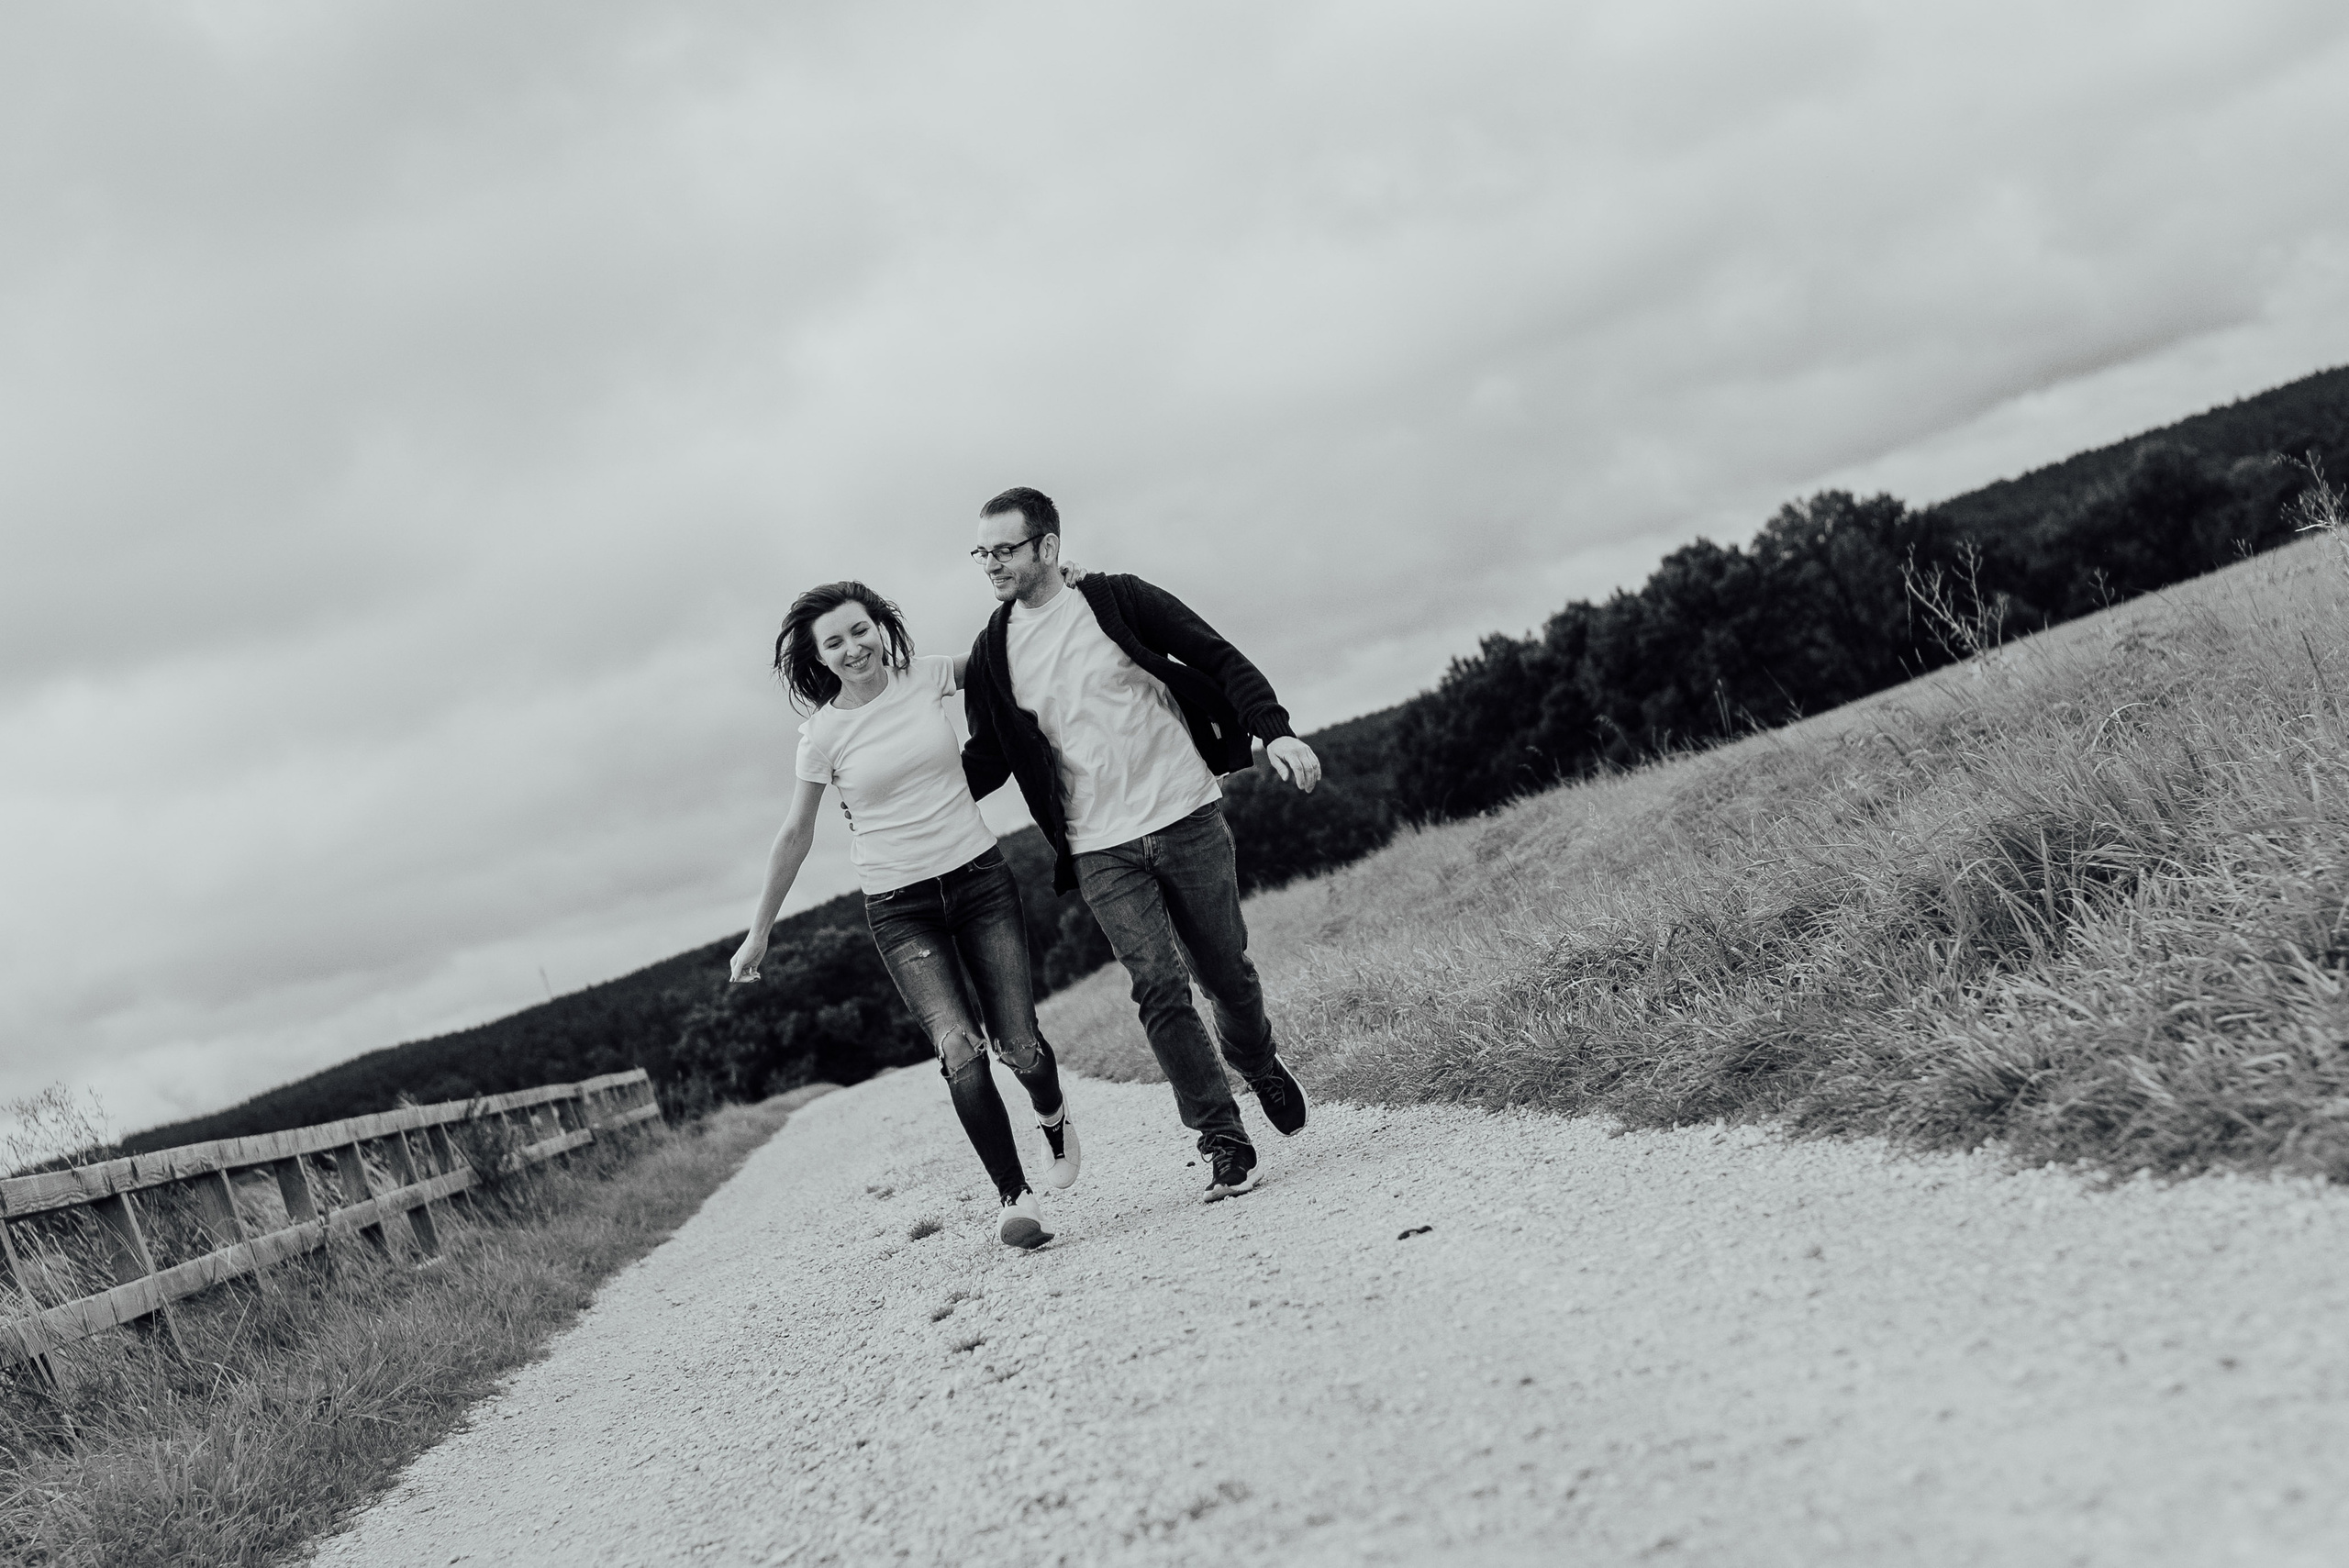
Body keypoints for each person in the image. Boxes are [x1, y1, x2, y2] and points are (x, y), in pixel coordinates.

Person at [960, 487, 1319, 1203]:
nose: (991, 564)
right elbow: (989, 758)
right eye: (982, 552)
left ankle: (1257, 1058)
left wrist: (1273, 728)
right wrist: (906, 787)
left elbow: (1217, 657)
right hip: (1098, 845)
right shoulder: (991, 654)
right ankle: (1222, 1136)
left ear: (1048, 549)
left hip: (1184, 811)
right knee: (1156, 985)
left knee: (1226, 971)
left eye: (1005, 549)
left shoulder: (1119, 599)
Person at [729, 580, 1076, 1249]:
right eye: (835, 642)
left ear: (880, 627)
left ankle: (1052, 1112)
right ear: (820, 657)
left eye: (860, 631)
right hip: (899, 907)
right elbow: (795, 834)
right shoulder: (822, 736)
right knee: (959, 1049)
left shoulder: (928, 676)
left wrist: (1059, 593)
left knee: (1021, 1047)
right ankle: (1015, 1198)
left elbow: (1009, 650)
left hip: (980, 881)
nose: (853, 647)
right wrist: (758, 933)